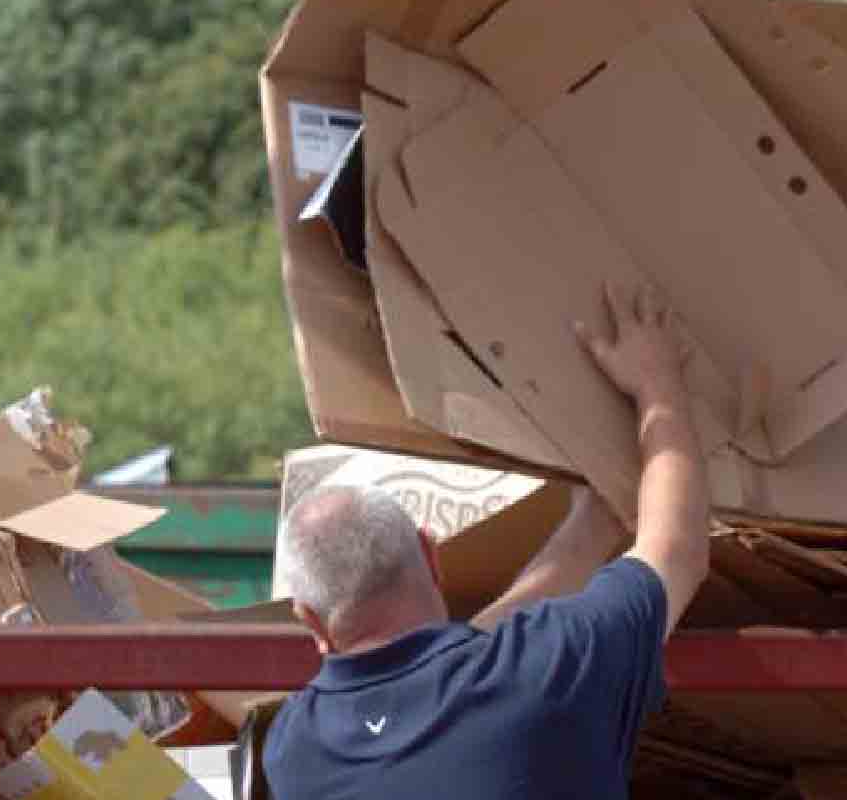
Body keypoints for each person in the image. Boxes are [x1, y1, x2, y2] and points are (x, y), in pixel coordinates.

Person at [262, 283, 710, 800]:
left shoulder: (293, 750)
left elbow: (454, 670)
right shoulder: (547, 667)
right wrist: (658, 383)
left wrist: (587, 533)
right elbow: (678, 550)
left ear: (311, 622)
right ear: (432, 557)